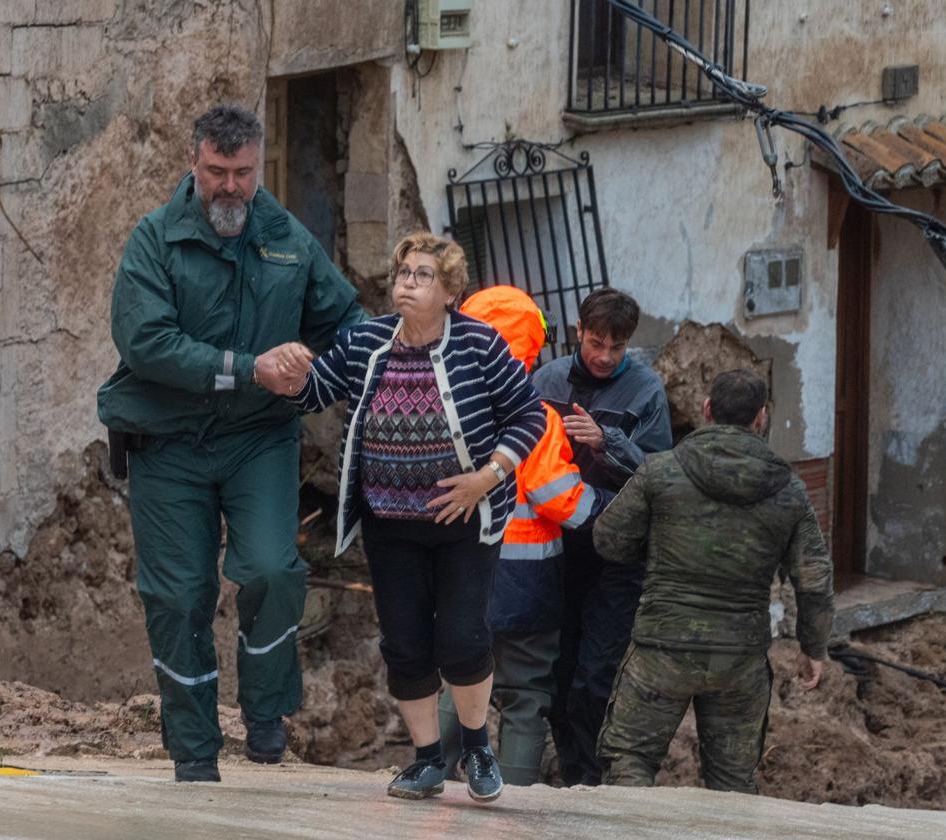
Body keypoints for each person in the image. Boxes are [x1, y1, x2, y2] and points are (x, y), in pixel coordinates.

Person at [96, 104, 363, 783]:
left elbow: (347, 322)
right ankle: (193, 752)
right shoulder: (155, 239)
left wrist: (319, 377)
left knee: (273, 570)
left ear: (257, 167)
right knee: (179, 594)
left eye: (243, 173)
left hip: (258, 439)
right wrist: (249, 369)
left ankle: (266, 716)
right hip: (168, 442)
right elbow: (146, 342)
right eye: (217, 172)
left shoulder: (286, 239)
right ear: (195, 164)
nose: (230, 188)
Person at [273, 234, 546, 803]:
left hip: (464, 521)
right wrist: (295, 373)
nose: (407, 283)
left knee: (463, 638)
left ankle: (476, 748)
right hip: (389, 523)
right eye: (402, 273)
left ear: (451, 290)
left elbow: (528, 416)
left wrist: (487, 477)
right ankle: (426, 761)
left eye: (423, 275)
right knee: (404, 643)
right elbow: (317, 391)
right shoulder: (366, 341)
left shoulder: (479, 345)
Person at [594, 369, 835, 792]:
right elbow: (813, 577)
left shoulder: (661, 471)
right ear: (761, 417)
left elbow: (609, 540)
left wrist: (658, 550)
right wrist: (813, 647)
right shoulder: (789, 490)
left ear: (706, 409)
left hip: (661, 649)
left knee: (629, 762)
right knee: (733, 784)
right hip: (739, 659)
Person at [437, 286, 611, 786]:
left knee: (458, 683)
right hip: (525, 585)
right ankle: (511, 801)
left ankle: (433, 778)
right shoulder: (536, 416)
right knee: (525, 695)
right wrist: (611, 506)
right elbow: (565, 502)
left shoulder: (438, 409)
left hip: (457, 579)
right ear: (530, 346)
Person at [532, 288, 671, 786]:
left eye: (616, 347)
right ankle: (570, 770)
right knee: (557, 669)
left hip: (618, 553)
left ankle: (592, 779)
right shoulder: (545, 379)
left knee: (596, 675)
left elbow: (659, 474)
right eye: (596, 343)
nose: (605, 357)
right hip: (554, 548)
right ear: (578, 332)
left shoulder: (646, 391)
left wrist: (605, 441)